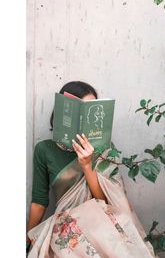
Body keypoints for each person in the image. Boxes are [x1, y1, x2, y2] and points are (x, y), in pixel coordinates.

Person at [27, 81, 156, 258]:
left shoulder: (103, 148)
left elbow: (105, 200)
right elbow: (39, 201)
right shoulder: (45, 149)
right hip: (68, 224)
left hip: (100, 221)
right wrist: (28, 239)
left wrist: (87, 165)